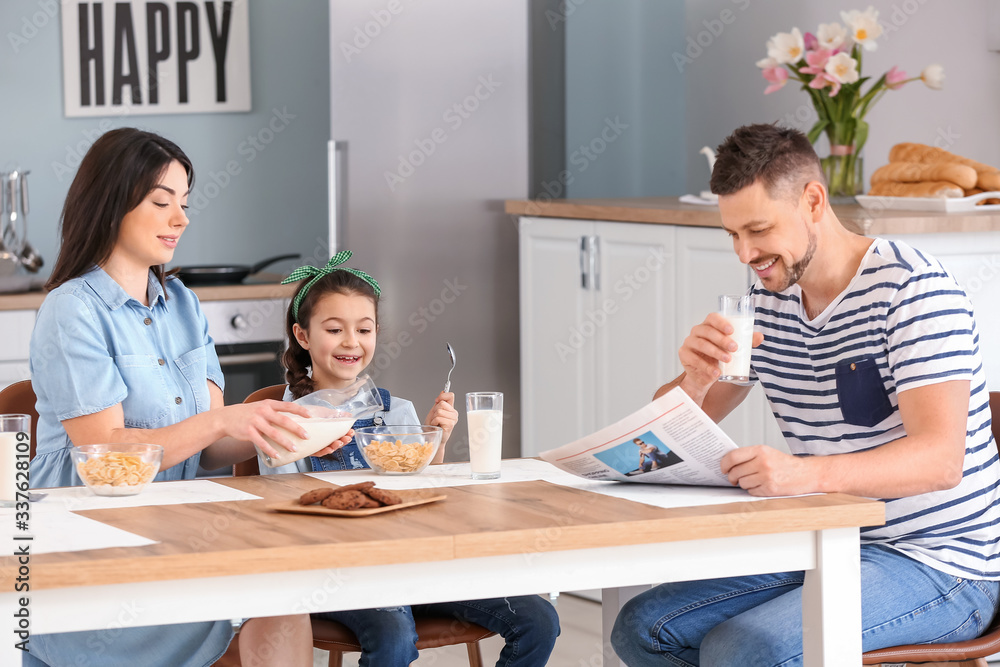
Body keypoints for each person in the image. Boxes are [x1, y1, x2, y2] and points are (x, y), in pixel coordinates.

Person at [610, 123, 1000, 666]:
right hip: (828, 542)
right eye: (733, 235)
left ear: (813, 201)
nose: (746, 252)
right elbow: (665, 431)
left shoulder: (913, 291)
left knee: (744, 649)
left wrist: (803, 475)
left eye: (758, 229)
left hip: (941, 563)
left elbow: (941, 461)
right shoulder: (767, 301)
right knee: (644, 627)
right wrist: (695, 378)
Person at [26, 128, 348, 667]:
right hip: (88, 541)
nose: (181, 218)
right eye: (161, 202)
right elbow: (107, 456)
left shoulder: (182, 304)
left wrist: (277, 436)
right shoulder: (71, 311)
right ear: (111, 203)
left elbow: (207, 446)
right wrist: (225, 422)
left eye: (185, 203)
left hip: (181, 524)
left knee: (284, 588)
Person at [260, 252, 561, 667]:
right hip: (334, 572)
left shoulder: (396, 413)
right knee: (395, 635)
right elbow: (274, 509)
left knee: (538, 619)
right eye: (334, 329)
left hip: (414, 564)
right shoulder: (282, 419)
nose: (351, 341)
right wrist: (309, 445)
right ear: (304, 335)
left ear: (377, 333)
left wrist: (437, 441)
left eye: (364, 329)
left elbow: (423, 497)